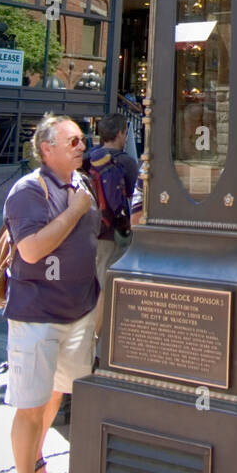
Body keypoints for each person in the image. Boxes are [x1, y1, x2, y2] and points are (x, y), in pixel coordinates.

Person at [3, 114, 101, 473]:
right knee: (30, 404)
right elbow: (31, 249)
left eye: (83, 139)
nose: (82, 145)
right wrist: (77, 210)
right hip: (37, 314)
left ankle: (38, 463)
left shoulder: (80, 186)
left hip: (77, 312)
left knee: (54, 394)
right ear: (47, 149)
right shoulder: (28, 191)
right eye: (73, 140)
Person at [87, 113, 140, 331]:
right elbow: (135, 196)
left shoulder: (88, 158)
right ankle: (94, 339)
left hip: (90, 229)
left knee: (93, 282)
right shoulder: (125, 162)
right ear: (120, 133)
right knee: (106, 284)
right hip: (113, 231)